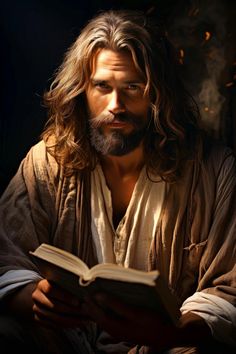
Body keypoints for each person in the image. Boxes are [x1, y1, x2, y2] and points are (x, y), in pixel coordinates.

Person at [0, 9, 235, 354]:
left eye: (133, 87)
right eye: (102, 86)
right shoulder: (46, 161)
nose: (116, 105)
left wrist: (173, 331)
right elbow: (6, 255)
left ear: (158, 94)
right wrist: (32, 298)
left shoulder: (212, 170)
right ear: (81, 89)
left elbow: (228, 287)